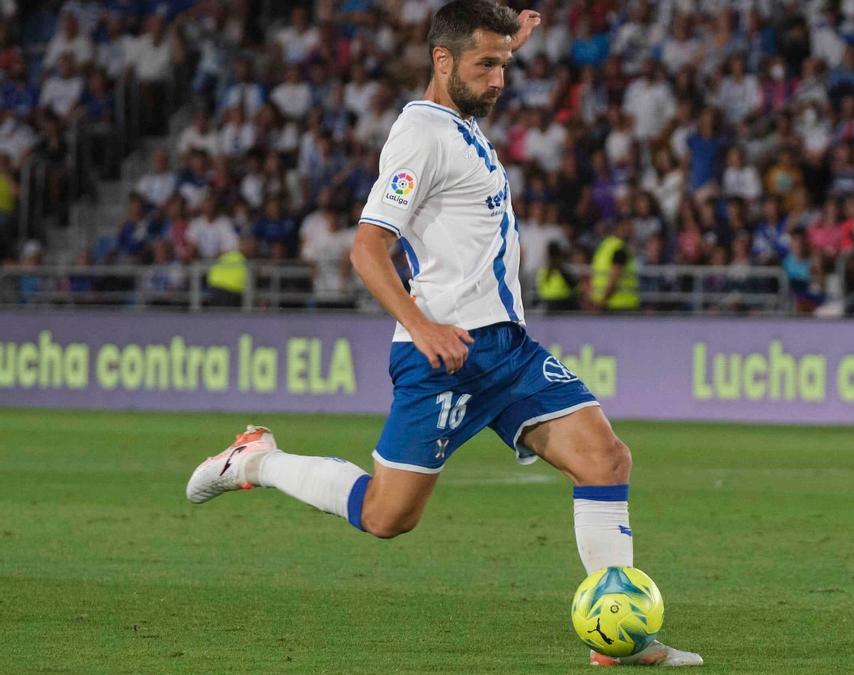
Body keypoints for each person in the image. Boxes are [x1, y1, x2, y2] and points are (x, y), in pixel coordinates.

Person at [185, 2, 701, 667]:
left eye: (505, 65)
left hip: (507, 350)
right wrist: (421, 324)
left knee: (605, 459)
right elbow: (368, 249)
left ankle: (618, 641)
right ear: (442, 60)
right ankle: (256, 459)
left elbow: (480, 60)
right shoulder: (419, 135)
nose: (500, 80)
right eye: (486, 65)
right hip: (445, 356)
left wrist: (506, 41)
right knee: (387, 517)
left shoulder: (462, 120)